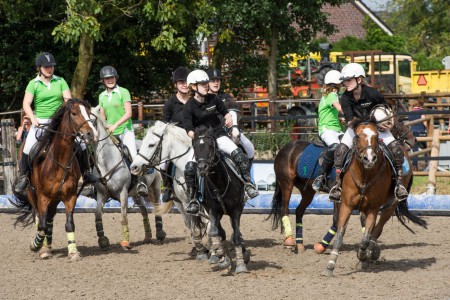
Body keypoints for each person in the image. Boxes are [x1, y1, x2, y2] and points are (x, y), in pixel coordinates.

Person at [14, 52, 96, 194]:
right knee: (27, 147)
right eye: (46, 67)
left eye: (51, 66)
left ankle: (86, 174)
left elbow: (68, 101)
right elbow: (26, 103)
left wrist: (65, 117)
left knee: (81, 144)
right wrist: (33, 119)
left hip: (59, 121)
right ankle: (24, 178)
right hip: (41, 121)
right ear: (39, 68)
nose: (50, 69)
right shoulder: (33, 84)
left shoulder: (60, 81)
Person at [328, 63, 409, 202]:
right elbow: (349, 120)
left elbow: (386, 107)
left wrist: (386, 119)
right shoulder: (345, 98)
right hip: (356, 129)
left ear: (359, 80)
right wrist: (361, 127)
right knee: (340, 150)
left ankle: (399, 184)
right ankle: (337, 185)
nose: (345, 83)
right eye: (344, 81)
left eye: (348, 80)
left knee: (396, 148)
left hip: (377, 128)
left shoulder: (372, 93)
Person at [182, 69, 259, 214]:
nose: (206, 86)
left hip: (219, 137)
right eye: (203, 83)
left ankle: (248, 185)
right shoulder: (189, 106)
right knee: (189, 169)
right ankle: (193, 200)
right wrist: (197, 135)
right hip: (201, 142)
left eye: (206, 83)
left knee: (239, 155)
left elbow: (226, 113)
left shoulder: (214, 99)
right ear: (193, 87)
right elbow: (188, 129)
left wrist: (229, 118)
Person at [98, 65, 147, 196]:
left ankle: (141, 183)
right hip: (111, 133)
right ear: (103, 80)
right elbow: (102, 116)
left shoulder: (123, 92)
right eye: (107, 78)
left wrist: (115, 125)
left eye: (112, 78)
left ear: (116, 78)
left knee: (133, 155)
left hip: (125, 130)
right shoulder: (102, 96)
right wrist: (106, 127)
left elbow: (129, 113)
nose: (110, 80)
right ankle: (97, 185)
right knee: (101, 155)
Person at [206, 68, 255, 161]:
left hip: (230, 131)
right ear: (207, 83)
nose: (216, 83)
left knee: (250, 147)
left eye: (218, 80)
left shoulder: (226, 96)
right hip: (212, 133)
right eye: (212, 81)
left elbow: (234, 111)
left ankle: (246, 172)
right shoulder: (204, 98)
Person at [160, 67, 190, 202]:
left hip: (193, 138)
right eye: (180, 82)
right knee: (163, 164)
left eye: (186, 82)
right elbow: (164, 125)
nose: (184, 85)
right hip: (176, 141)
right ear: (176, 85)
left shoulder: (195, 100)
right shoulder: (170, 103)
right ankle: (167, 187)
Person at [312, 70, 343, 192]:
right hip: (327, 130)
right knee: (335, 147)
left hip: (336, 130)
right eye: (341, 84)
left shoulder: (326, 96)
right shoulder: (332, 95)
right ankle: (320, 176)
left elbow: (330, 113)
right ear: (336, 85)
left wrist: (341, 119)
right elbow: (339, 108)